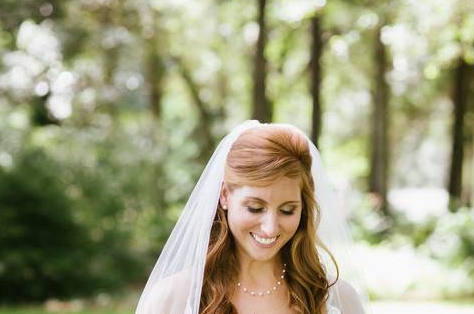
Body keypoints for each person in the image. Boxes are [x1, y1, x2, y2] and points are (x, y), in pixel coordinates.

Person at [136, 121, 368, 314]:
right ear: (225, 195)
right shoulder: (173, 299)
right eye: (255, 208)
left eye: (287, 210)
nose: (269, 228)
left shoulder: (338, 300)